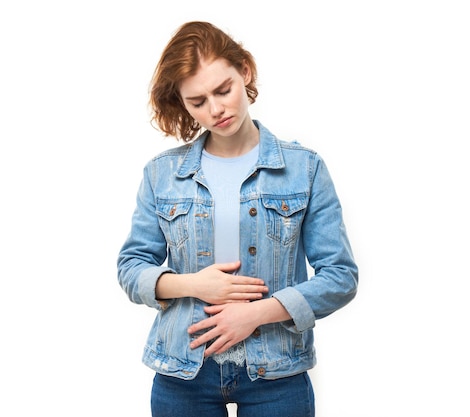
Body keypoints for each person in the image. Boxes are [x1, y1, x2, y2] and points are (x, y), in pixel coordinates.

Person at [117, 21, 358, 417]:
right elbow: (131, 267)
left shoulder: (305, 169)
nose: (215, 110)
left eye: (223, 90)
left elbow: (340, 276)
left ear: (244, 71)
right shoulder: (161, 175)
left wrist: (256, 314)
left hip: (277, 372)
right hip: (183, 371)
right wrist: (193, 284)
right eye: (197, 101)